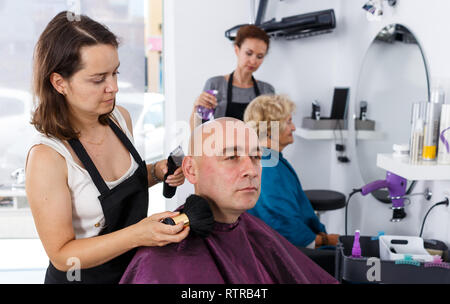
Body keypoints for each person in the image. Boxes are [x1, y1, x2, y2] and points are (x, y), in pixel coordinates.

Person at [25, 11, 189, 284]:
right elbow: (62, 256)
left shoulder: (120, 118)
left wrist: (158, 172)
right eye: (98, 79)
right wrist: (138, 234)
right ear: (59, 83)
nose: (113, 87)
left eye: (115, 73)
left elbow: (119, 184)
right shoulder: (48, 157)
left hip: (132, 272)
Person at [120, 118, 337, 284]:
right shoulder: (159, 259)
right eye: (231, 157)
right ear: (190, 169)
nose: (251, 171)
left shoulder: (258, 235)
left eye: (256, 157)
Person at [243, 95, 339, 249]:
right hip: (293, 252)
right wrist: (325, 240)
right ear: (269, 129)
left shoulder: (268, 159)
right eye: (288, 122)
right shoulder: (268, 167)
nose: (293, 128)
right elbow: (281, 225)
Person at [189, 25, 275, 130]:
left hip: (255, 146)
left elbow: (271, 137)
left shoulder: (267, 90)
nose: (253, 61)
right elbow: (197, 130)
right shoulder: (215, 85)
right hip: (220, 146)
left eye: (260, 56)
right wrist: (196, 108)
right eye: (249, 53)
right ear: (237, 50)